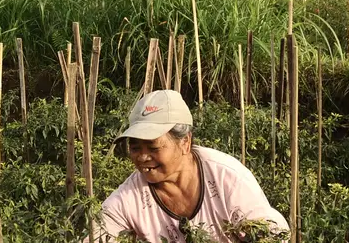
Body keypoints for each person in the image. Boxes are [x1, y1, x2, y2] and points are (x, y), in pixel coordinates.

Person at [87, 89, 289, 242]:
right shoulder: (128, 199)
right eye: (135, 147)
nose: (142, 157)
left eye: (153, 147)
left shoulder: (227, 178)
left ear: (185, 142)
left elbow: (273, 235)